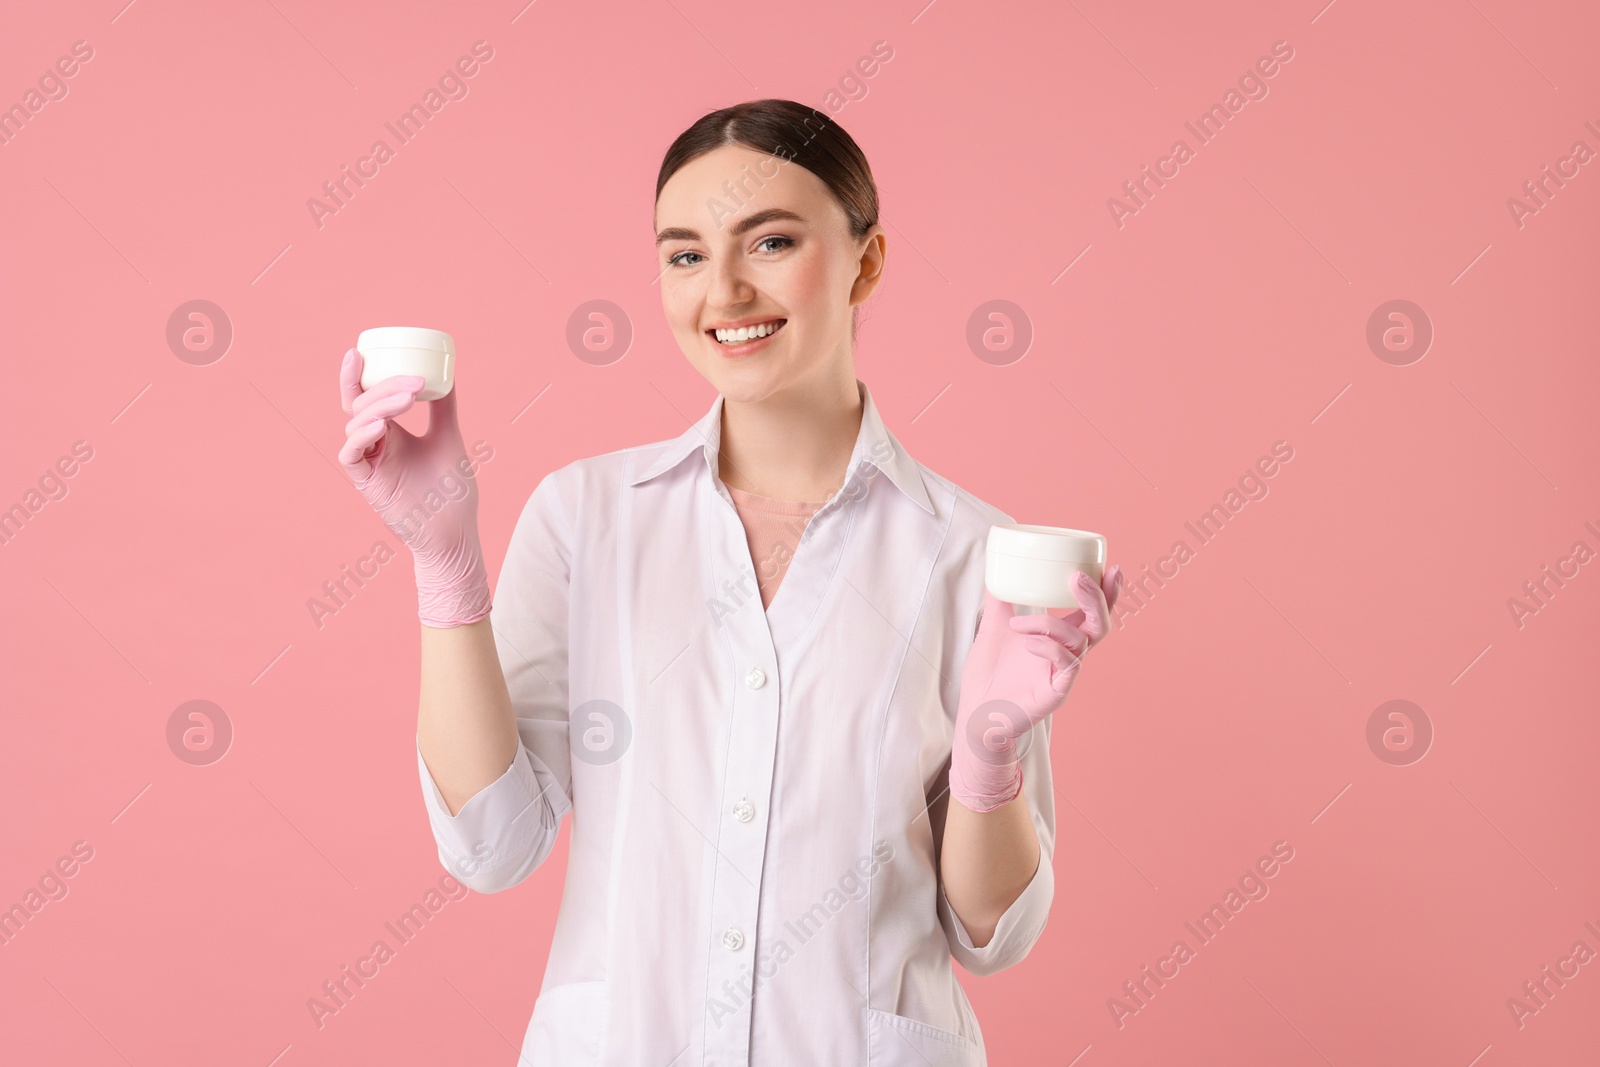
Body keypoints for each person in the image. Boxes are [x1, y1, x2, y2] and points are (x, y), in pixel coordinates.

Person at [337, 98, 1122, 1065]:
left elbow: (990, 930)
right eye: (686, 255)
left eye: (772, 241)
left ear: (867, 262)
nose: (725, 292)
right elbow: (492, 846)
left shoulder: (975, 552)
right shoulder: (587, 516)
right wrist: (442, 561)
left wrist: (992, 750)